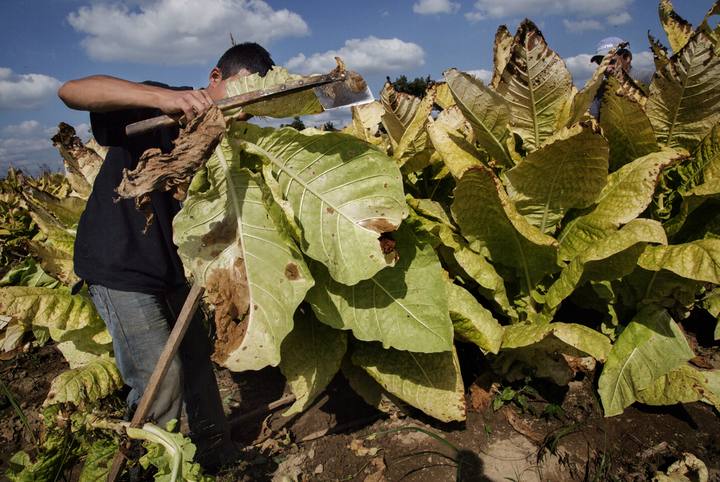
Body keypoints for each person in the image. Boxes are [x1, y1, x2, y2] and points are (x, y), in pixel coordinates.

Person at [57, 42, 275, 472]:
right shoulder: (163, 101)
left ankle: (216, 461)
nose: (241, 106)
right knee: (161, 379)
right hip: (122, 265)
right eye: (237, 91)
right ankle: (151, 471)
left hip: (178, 271)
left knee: (197, 368)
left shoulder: (235, 140)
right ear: (215, 78)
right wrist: (165, 99)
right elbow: (73, 89)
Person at [589, 36, 633, 119]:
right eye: (602, 63)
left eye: (611, 61)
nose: (607, 68)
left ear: (627, 58)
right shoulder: (599, 91)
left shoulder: (648, 80)